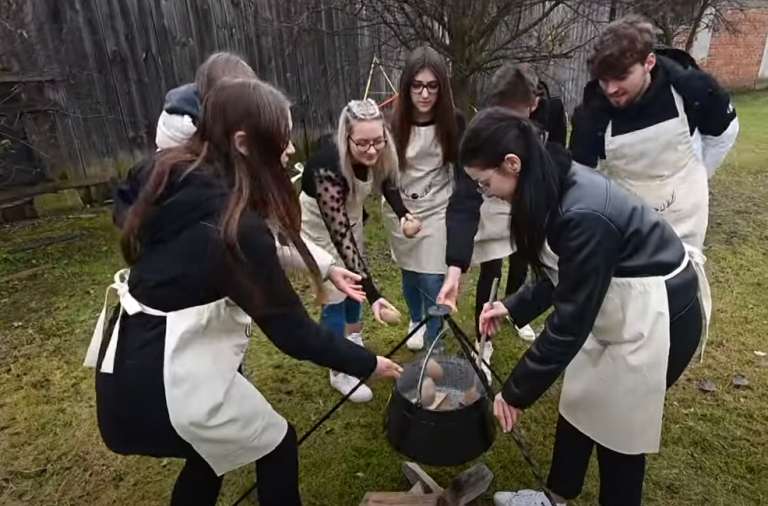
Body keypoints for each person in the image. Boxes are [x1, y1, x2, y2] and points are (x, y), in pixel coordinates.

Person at [84, 78, 402, 506]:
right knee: (276, 443)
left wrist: (326, 268)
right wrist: (366, 361)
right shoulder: (231, 225)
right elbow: (292, 333)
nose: (290, 151)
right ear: (243, 142)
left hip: (124, 365)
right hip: (164, 383)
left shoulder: (175, 173)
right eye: (282, 140)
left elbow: (229, 250)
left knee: (209, 456)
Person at [460, 108, 702, 506]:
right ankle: (555, 497)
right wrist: (512, 306)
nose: (487, 192)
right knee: (579, 400)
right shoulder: (546, 185)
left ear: (512, 164)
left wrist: (515, 392)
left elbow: (570, 322)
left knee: (618, 434)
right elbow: (563, 270)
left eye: (486, 183)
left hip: (657, 315)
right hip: (614, 302)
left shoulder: (582, 213)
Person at [113, 52, 363, 304]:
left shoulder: (228, 163)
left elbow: (266, 234)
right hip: (186, 319)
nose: (290, 149)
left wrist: (325, 266)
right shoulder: (192, 180)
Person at [569, 15, 739, 354]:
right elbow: (583, 176)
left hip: (685, 218)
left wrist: (695, 180)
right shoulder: (593, 114)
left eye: (620, 78)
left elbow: (723, 134)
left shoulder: (692, 89)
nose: (611, 89)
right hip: (630, 222)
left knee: (675, 299)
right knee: (630, 303)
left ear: (649, 62)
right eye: (604, 80)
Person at [440, 65, 563, 376]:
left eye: (515, 119)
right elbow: (465, 201)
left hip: (534, 211)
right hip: (495, 211)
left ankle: (516, 309)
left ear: (533, 106)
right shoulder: (483, 138)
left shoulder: (551, 136)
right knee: (492, 266)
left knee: (528, 259)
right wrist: (455, 268)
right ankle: (486, 335)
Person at [299, 98, 411, 402]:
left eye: (378, 140)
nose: (372, 150)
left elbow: (387, 179)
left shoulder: (379, 148)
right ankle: (339, 368)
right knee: (336, 292)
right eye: (362, 144)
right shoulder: (326, 170)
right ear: (345, 138)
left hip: (350, 217)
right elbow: (341, 242)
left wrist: (403, 213)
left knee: (355, 284)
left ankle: (353, 339)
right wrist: (375, 294)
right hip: (321, 229)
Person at [383, 46, 464, 351]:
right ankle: (415, 317)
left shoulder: (453, 121)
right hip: (400, 207)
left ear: (442, 88)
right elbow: (385, 176)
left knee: (432, 278)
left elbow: (462, 168)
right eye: (417, 85)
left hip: (437, 205)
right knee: (410, 271)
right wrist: (402, 213)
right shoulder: (392, 122)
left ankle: (435, 343)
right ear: (406, 87)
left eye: (432, 86)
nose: (425, 94)